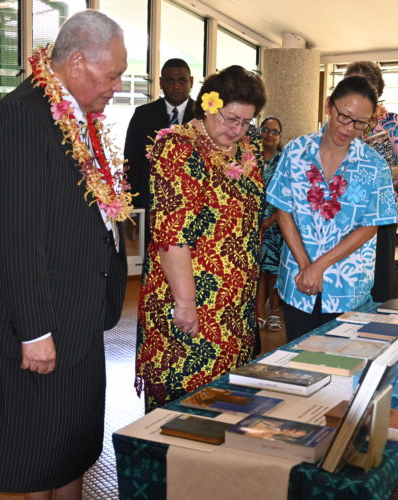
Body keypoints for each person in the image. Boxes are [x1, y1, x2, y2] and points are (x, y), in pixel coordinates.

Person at [0, 10, 130, 499]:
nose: (117, 86)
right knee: (38, 453)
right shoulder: (22, 116)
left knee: (72, 445)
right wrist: (34, 331)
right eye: (113, 74)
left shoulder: (80, 118)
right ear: (77, 62)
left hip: (78, 315)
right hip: (44, 324)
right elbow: (12, 237)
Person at [135, 65, 266, 411]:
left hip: (235, 306)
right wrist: (186, 304)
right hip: (191, 302)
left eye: (246, 122)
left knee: (230, 406)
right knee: (187, 406)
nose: (237, 130)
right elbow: (172, 236)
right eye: (230, 119)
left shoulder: (246, 149)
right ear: (209, 105)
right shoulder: (177, 149)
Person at [266, 76, 397, 342]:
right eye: (344, 117)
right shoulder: (295, 151)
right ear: (329, 105)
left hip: (347, 286)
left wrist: (320, 266)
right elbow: (283, 211)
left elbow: (370, 227)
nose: (349, 128)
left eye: (361, 123)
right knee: (298, 364)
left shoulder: (375, 166)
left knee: (342, 368)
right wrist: (306, 266)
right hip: (298, 281)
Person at [344, 61, 398, 302]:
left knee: (378, 281)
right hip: (343, 211)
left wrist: (383, 172)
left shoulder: (390, 122)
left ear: (376, 89)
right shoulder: (340, 121)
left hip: (379, 211)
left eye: (362, 85)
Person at [124, 58, 195, 248]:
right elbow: (131, 161)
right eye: (170, 81)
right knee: (153, 255)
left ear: (191, 82)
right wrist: (132, 203)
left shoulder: (203, 116)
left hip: (192, 204)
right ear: (161, 82)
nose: (176, 86)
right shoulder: (143, 114)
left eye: (182, 80)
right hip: (151, 202)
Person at [256, 116, 284, 332]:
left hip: (277, 226)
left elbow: (288, 195)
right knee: (258, 271)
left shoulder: (283, 161)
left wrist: (272, 219)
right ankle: (259, 313)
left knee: (274, 270)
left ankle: (274, 312)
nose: (269, 134)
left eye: (274, 131)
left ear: (279, 136)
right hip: (253, 226)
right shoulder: (250, 158)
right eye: (265, 129)